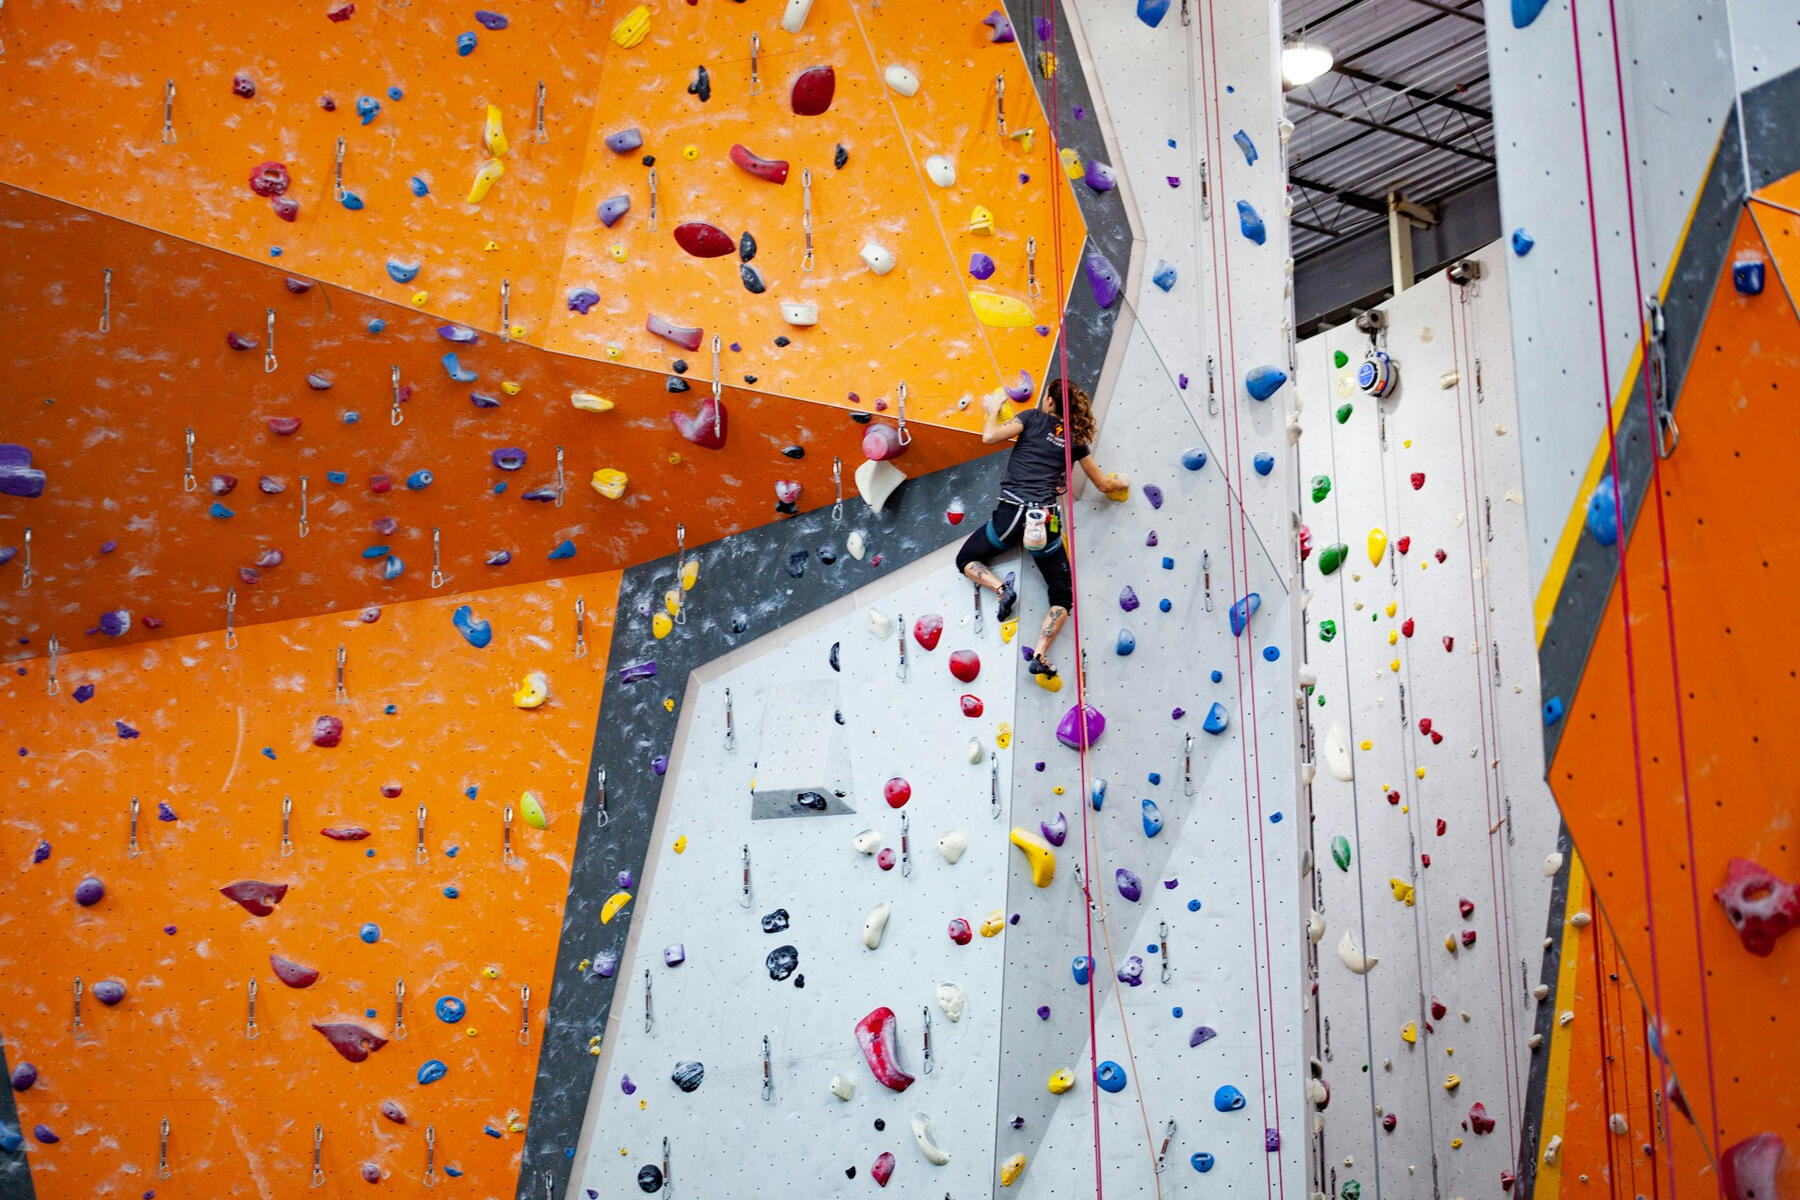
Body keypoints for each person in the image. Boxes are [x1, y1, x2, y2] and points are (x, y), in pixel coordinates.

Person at [954, 378, 1127, 678]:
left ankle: (1002, 590)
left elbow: (990, 436)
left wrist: (993, 409)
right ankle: (1039, 655)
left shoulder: (1032, 418)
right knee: (1062, 597)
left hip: (1010, 516)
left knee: (965, 559)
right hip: (1044, 521)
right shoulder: (1075, 440)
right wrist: (1122, 481)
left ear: (1048, 401)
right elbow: (1103, 484)